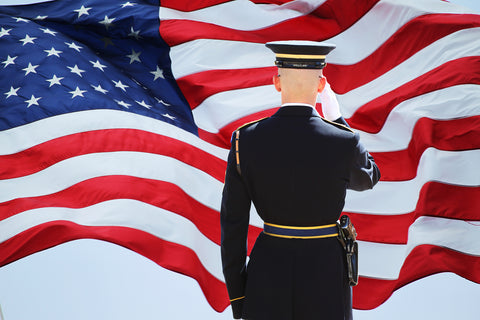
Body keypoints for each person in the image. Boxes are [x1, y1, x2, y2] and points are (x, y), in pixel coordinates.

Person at [220, 40, 381, 320]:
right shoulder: (343, 141)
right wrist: (338, 120)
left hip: (268, 270)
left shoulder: (244, 140)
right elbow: (368, 176)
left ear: (276, 82)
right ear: (321, 86)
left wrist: (239, 297)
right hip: (325, 272)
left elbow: (233, 226)